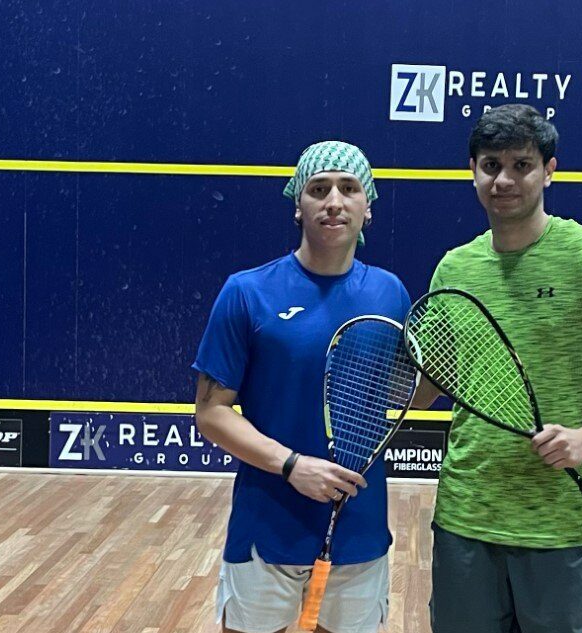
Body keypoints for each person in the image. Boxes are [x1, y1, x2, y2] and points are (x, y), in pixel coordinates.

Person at [426, 104, 582, 633]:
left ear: (549, 170)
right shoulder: (455, 267)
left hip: (559, 522)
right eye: (491, 165)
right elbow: (433, 382)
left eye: (521, 164)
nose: (505, 179)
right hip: (466, 514)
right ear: (472, 170)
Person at [193, 141, 409, 633]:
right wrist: (291, 466)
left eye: (348, 188)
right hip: (266, 530)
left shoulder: (389, 293)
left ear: (367, 206)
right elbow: (211, 413)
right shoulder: (246, 292)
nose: (334, 200)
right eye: (319, 188)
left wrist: (445, 380)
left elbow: (397, 396)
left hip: (359, 532)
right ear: (299, 204)